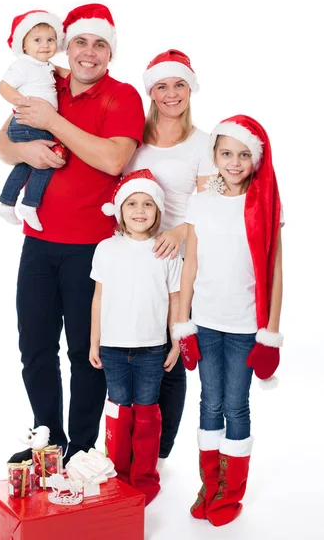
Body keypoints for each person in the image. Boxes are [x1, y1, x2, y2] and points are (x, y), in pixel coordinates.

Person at [0, 3, 145, 464]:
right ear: (65, 45)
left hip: (92, 251)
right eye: (80, 41)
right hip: (38, 245)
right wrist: (30, 150)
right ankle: (49, 439)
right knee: (35, 346)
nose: (89, 53)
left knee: (85, 351)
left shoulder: (123, 97)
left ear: (110, 54)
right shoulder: (44, 82)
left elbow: (114, 160)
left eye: (100, 45)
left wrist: (54, 123)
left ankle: (81, 447)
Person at [173, 115, 284, 526]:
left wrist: (270, 332)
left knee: (236, 407)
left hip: (243, 326)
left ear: (255, 159)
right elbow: (191, 264)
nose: (234, 163)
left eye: (243, 155)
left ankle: (229, 494)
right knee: (209, 403)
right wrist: (181, 322)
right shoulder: (200, 201)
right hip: (205, 321)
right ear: (214, 156)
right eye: (226, 153)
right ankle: (209, 485)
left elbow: (275, 271)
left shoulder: (266, 203)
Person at [124, 49, 215, 462]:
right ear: (151, 92)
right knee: (132, 346)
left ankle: (159, 451)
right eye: (162, 85)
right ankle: (128, 440)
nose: (171, 93)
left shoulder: (203, 142)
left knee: (169, 351)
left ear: (190, 90)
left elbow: (215, 200)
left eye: (179, 84)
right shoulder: (134, 141)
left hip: (181, 258)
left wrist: (181, 230)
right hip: (134, 258)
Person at [89, 169, 182, 505]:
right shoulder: (106, 249)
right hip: (113, 348)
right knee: (118, 409)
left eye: (147, 204)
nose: (139, 210)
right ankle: (119, 474)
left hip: (152, 349)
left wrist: (175, 342)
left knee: (146, 412)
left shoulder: (165, 251)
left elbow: (174, 299)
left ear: (157, 211)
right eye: (131, 203)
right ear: (119, 209)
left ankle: (144, 477)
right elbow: (98, 297)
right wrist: (93, 341)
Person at [0, 10, 65, 231]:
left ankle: (6, 203)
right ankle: (30, 204)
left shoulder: (46, 66)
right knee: (46, 160)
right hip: (28, 123)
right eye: (37, 40)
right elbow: (3, 87)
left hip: (36, 125)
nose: (45, 45)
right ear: (23, 46)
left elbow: (68, 73)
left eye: (50, 40)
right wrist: (22, 102)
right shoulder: (23, 64)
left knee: (27, 164)